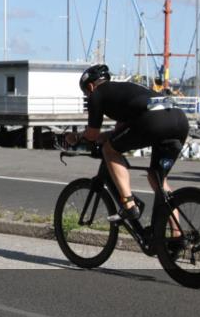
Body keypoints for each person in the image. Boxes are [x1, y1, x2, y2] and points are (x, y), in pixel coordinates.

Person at [65, 64, 189, 222]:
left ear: (90, 86)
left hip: (154, 120)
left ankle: (129, 205)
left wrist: (75, 137)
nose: (88, 96)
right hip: (178, 118)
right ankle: (176, 236)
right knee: (157, 178)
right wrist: (103, 137)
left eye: (86, 93)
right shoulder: (124, 91)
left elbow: (91, 134)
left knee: (110, 150)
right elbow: (120, 133)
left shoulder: (97, 93)